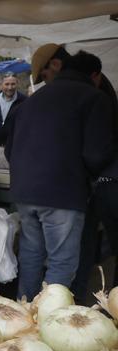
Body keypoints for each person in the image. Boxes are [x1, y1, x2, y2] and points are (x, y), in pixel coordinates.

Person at [5, 49, 114, 301]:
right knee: (61, 261)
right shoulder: (94, 98)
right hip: (63, 192)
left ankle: (25, 309)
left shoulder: (31, 100)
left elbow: (9, 150)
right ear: (95, 75)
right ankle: (50, 319)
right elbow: (97, 154)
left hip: (24, 191)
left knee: (31, 254)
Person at [69, 51, 118, 301]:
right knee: (88, 243)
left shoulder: (96, 97)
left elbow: (96, 151)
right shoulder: (100, 94)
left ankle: (87, 298)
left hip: (100, 182)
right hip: (102, 181)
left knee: (86, 243)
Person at [0, 73, 27, 146]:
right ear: (2, 84)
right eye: (7, 84)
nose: (10, 87)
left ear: (17, 84)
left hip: (14, 144)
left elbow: (26, 123)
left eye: (13, 84)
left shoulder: (23, 101)